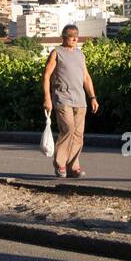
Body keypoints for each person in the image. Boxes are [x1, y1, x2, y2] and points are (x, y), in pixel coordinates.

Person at [41, 24, 99, 178]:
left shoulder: (80, 54)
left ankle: (73, 166)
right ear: (64, 37)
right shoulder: (56, 53)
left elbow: (86, 78)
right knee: (68, 129)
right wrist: (47, 98)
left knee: (78, 135)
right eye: (71, 35)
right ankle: (60, 164)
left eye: (76, 35)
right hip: (62, 98)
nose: (74, 38)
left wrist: (92, 97)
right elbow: (46, 76)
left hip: (80, 100)